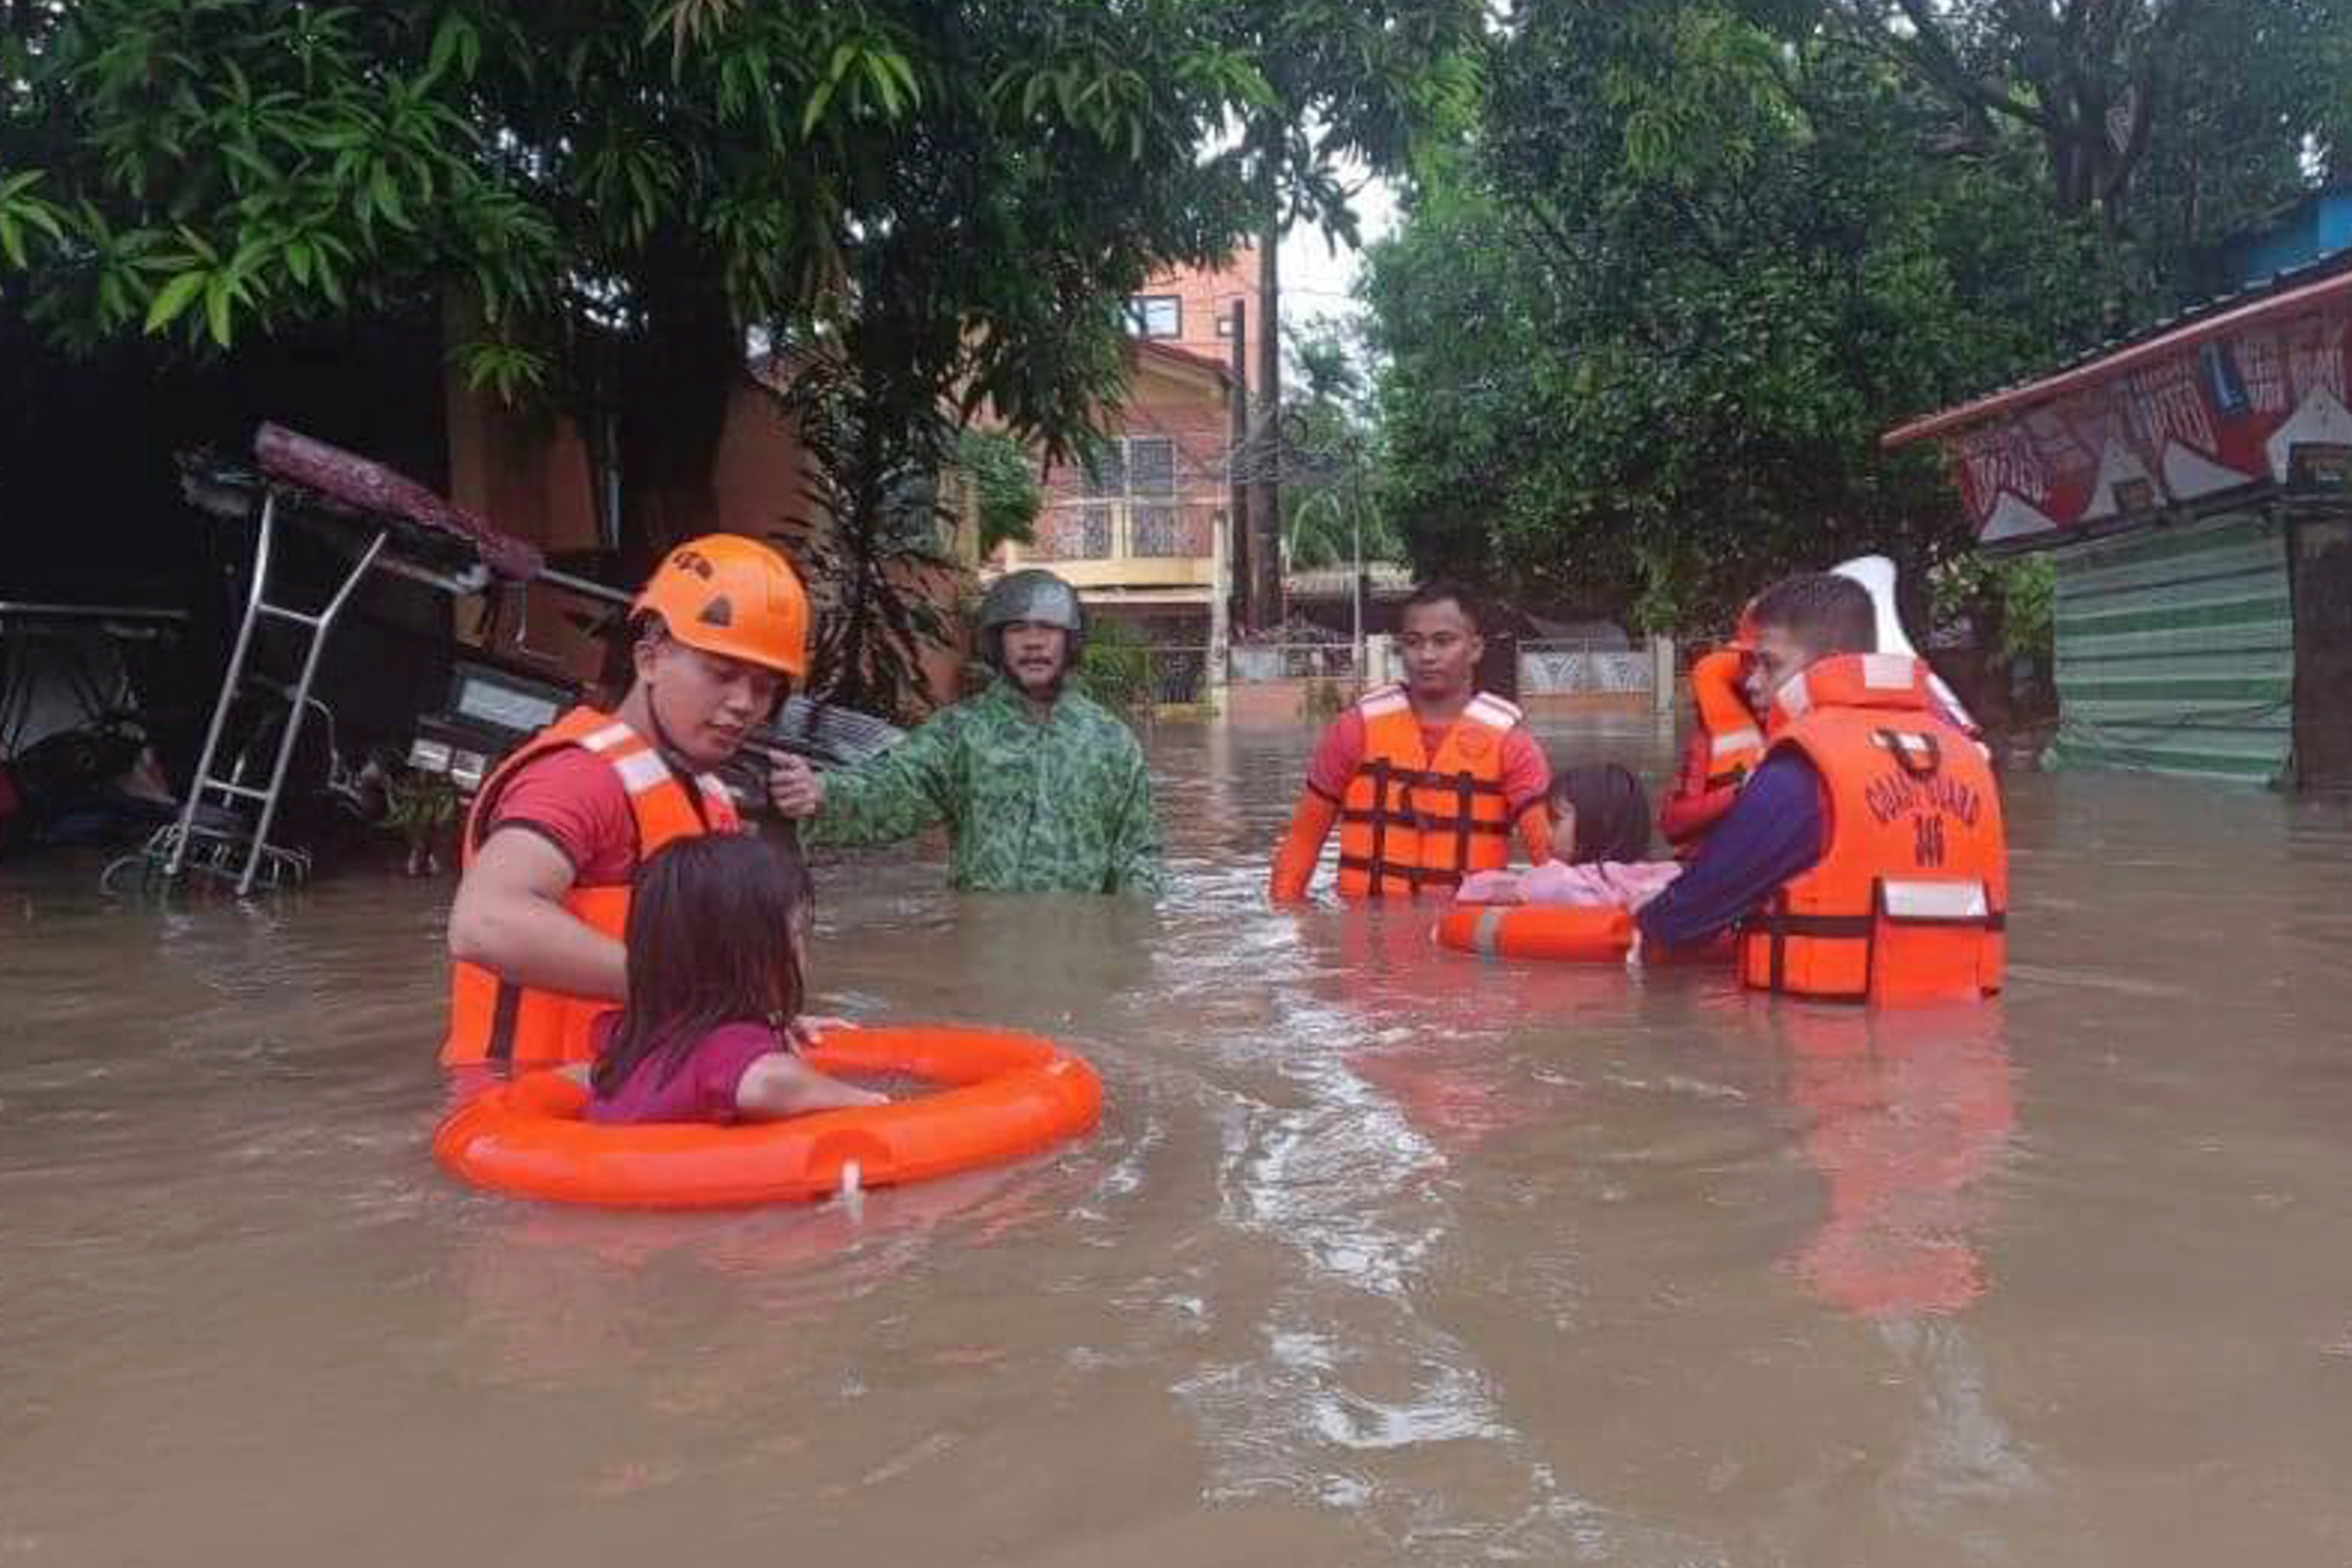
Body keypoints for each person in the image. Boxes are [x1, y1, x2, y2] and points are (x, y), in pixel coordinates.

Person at [442, 534, 813, 1069]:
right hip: (526, 1107)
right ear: (650, 659)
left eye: (764, 687)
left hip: (624, 1098)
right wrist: (691, 993)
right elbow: (485, 923)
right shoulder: (577, 778)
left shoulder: (709, 794)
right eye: (721, 673)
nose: (743, 705)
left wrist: (756, 1019)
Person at [1635, 571, 2006, 1003]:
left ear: (1829, 662)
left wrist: (1641, 914)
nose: (1753, 682)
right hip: (1958, 1042)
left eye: (1770, 664)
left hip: (1823, 1050)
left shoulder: (1802, 772)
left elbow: (1682, 922)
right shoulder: (1967, 760)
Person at [767, 568, 1164, 897]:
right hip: (986, 951)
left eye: (1048, 628)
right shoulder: (960, 733)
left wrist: (1129, 950)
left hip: (1079, 955)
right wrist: (821, 793)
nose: (1033, 642)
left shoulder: (1112, 743)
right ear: (997, 642)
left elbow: (1138, 855)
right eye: (1018, 630)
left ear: (1070, 641)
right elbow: (895, 788)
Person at [1270, 580, 1551, 901]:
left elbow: (1550, 860)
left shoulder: (1514, 747)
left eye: (1443, 641)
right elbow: (1303, 841)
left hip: (1461, 935)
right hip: (1364, 936)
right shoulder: (1352, 731)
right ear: (1401, 649)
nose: (1427, 655)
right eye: (1414, 642)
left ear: (1475, 648)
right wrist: (1287, 915)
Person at [588, 833, 884, 1125]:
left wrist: (778, 1022)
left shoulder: (627, 1034)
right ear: (748, 955)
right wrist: (865, 1100)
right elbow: (767, 1083)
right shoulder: (728, 1049)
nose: (803, 947)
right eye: (796, 933)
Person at [1455, 763, 1682, 911]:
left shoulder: (1558, 883)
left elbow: (1474, 892)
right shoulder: (1660, 877)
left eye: (1555, 820)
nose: (1546, 832)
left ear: (1598, 822)